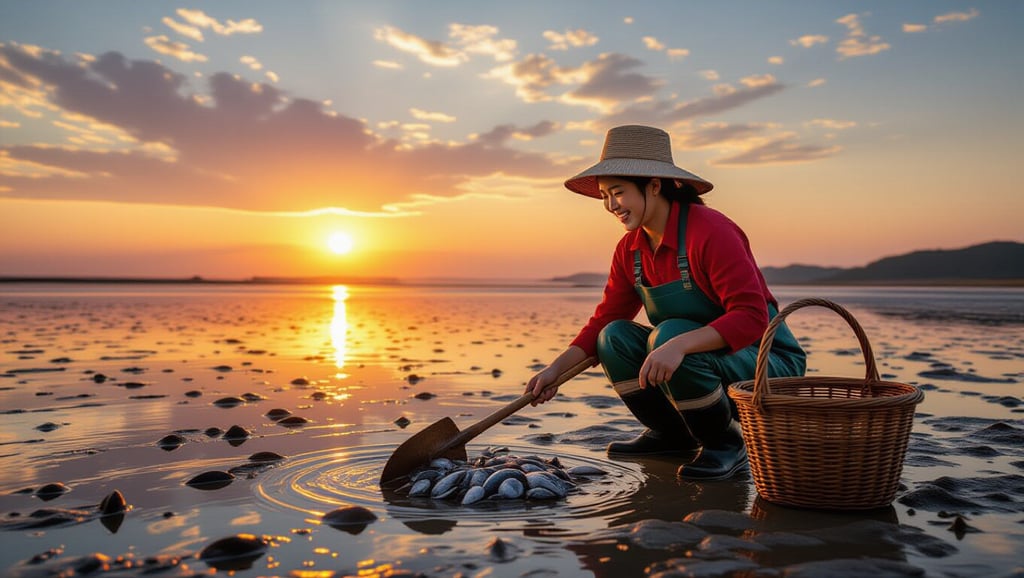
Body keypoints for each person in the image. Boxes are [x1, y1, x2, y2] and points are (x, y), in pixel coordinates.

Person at [527, 125, 806, 480]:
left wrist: (676, 345)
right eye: (604, 196)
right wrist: (554, 370)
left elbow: (751, 318)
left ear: (655, 185)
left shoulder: (711, 231)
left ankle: (725, 445)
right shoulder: (629, 249)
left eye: (618, 192)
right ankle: (673, 435)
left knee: (668, 334)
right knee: (612, 338)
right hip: (701, 359)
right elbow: (603, 321)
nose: (611, 205)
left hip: (766, 363)